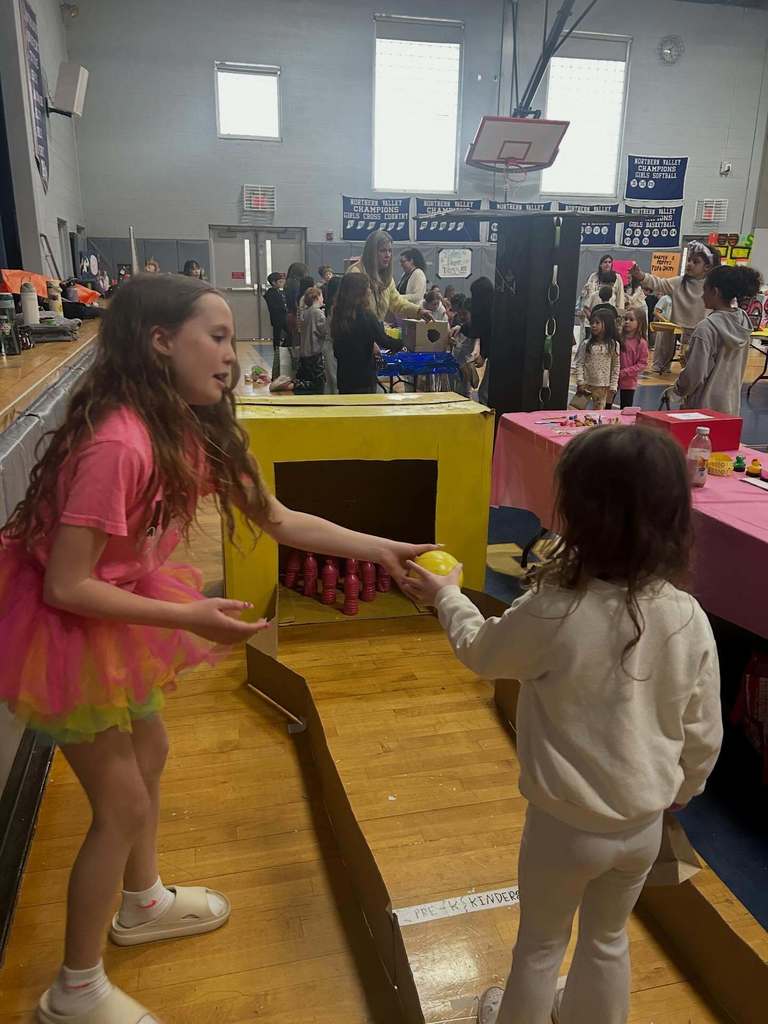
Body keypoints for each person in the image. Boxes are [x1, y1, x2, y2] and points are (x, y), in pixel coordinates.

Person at [0, 273, 435, 1024]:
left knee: (151, 750)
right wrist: (187, 616)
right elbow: (67, 585)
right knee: (121, 802)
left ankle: (142, 902)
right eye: (219, 337)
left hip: (113, 605)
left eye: (232, 339)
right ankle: (74, 991)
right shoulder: (117, 443)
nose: (233, 355)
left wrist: (383, 548)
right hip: (64, 623)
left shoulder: (190, 429)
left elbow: (279, 519)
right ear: (160, 342)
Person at [402, 425, 722, 1024]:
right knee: (608, 940)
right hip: (642, 826)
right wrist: (683, 789)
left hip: (563, 828)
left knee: (541, 946)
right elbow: (704, 731)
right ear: (674, 518)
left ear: (576, 514)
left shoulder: (554, 608)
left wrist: (447, 594)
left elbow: (482, 652)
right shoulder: (688, 615)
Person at [670, 265, 761, 416]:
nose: (702, 295)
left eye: (704, 290)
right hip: (730, 407)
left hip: (702, 410)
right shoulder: (743, 322)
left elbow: (694, 375)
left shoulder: (706, 328)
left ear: (715, 292)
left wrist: (677, 390)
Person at [631, 241, 721, 374]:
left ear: (707, 267)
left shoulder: (714, 287)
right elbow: (659, 283)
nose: (689, 264)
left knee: (704, 366)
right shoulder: (680, 282)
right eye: (689, 260)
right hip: (687, 332)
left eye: (695, 262)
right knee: (689, 364)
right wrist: (641, 276)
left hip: (708, 333)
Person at [348, 230, 430, 323]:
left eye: (390, 251)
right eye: (382, 251)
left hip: (376, 328)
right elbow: (351, 311)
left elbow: (397, 302)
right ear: (371, 252)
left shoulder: (387, 278)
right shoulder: (356, 273)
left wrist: (418, 311)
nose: (387, 255)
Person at [332, 273, 388, 394]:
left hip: (344, 377)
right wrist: (404, 342)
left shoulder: (338, 314)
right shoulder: (367, 316)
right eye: (368, 288)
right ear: (360, 292)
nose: (370, 291)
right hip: (364, 379)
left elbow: (337, 350)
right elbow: (384, 341)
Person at [573, 308, 620, 410]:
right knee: (575, 410)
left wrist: (613, 385)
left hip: (602, 387)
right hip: (586, 385)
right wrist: (580, 381)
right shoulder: (586, 344)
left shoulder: (613, 345)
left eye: (597, 323)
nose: (593, 325)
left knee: (598, 413)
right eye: (592, 323)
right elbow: (580, 363)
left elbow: (615, 366)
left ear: (607, 324)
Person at [296, 285, 328, 394]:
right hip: (314, 351)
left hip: (305, 351)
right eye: (322, 296)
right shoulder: (317, 313)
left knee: (307, 380)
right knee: (317, 382)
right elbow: (324, 330)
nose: (323, 299)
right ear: (317, 297)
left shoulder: (306, 312)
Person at [469, 276, 494, 405]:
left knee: (485, 393)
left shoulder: (490, 312)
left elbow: (488, 334)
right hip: (495, 354)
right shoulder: (493, 308)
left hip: (497, 354)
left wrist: (483, 354)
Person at [618, 306, 649, 408]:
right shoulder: (619, 338)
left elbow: (642, 364)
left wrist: (625, 372)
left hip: (628, 382)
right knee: (606, 407)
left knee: (625, 408)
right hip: (613, 380)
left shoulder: (641, 343)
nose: (627, 322)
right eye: (625, 319)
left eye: (631, 320)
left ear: (639, 323)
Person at [580, 255, 625, 320]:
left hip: (610, 310)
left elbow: (620, 296)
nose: (607, 264)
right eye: (605, 262)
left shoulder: (617, 277)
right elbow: (587, 294)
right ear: (600, 265)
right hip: (594, 309)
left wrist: (620, 314)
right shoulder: (594, 276)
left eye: (609, 262)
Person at [264, 271, 288, 379]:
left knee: (282, 332)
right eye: (280, 281)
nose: (282, 283)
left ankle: (279, 347)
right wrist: (284, 308)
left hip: (282, 316)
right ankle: (276, 349)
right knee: (277, 334)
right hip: (277, 317)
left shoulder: (279, 291)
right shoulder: (271, 293)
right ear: (274, 282)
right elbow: (274, 306)